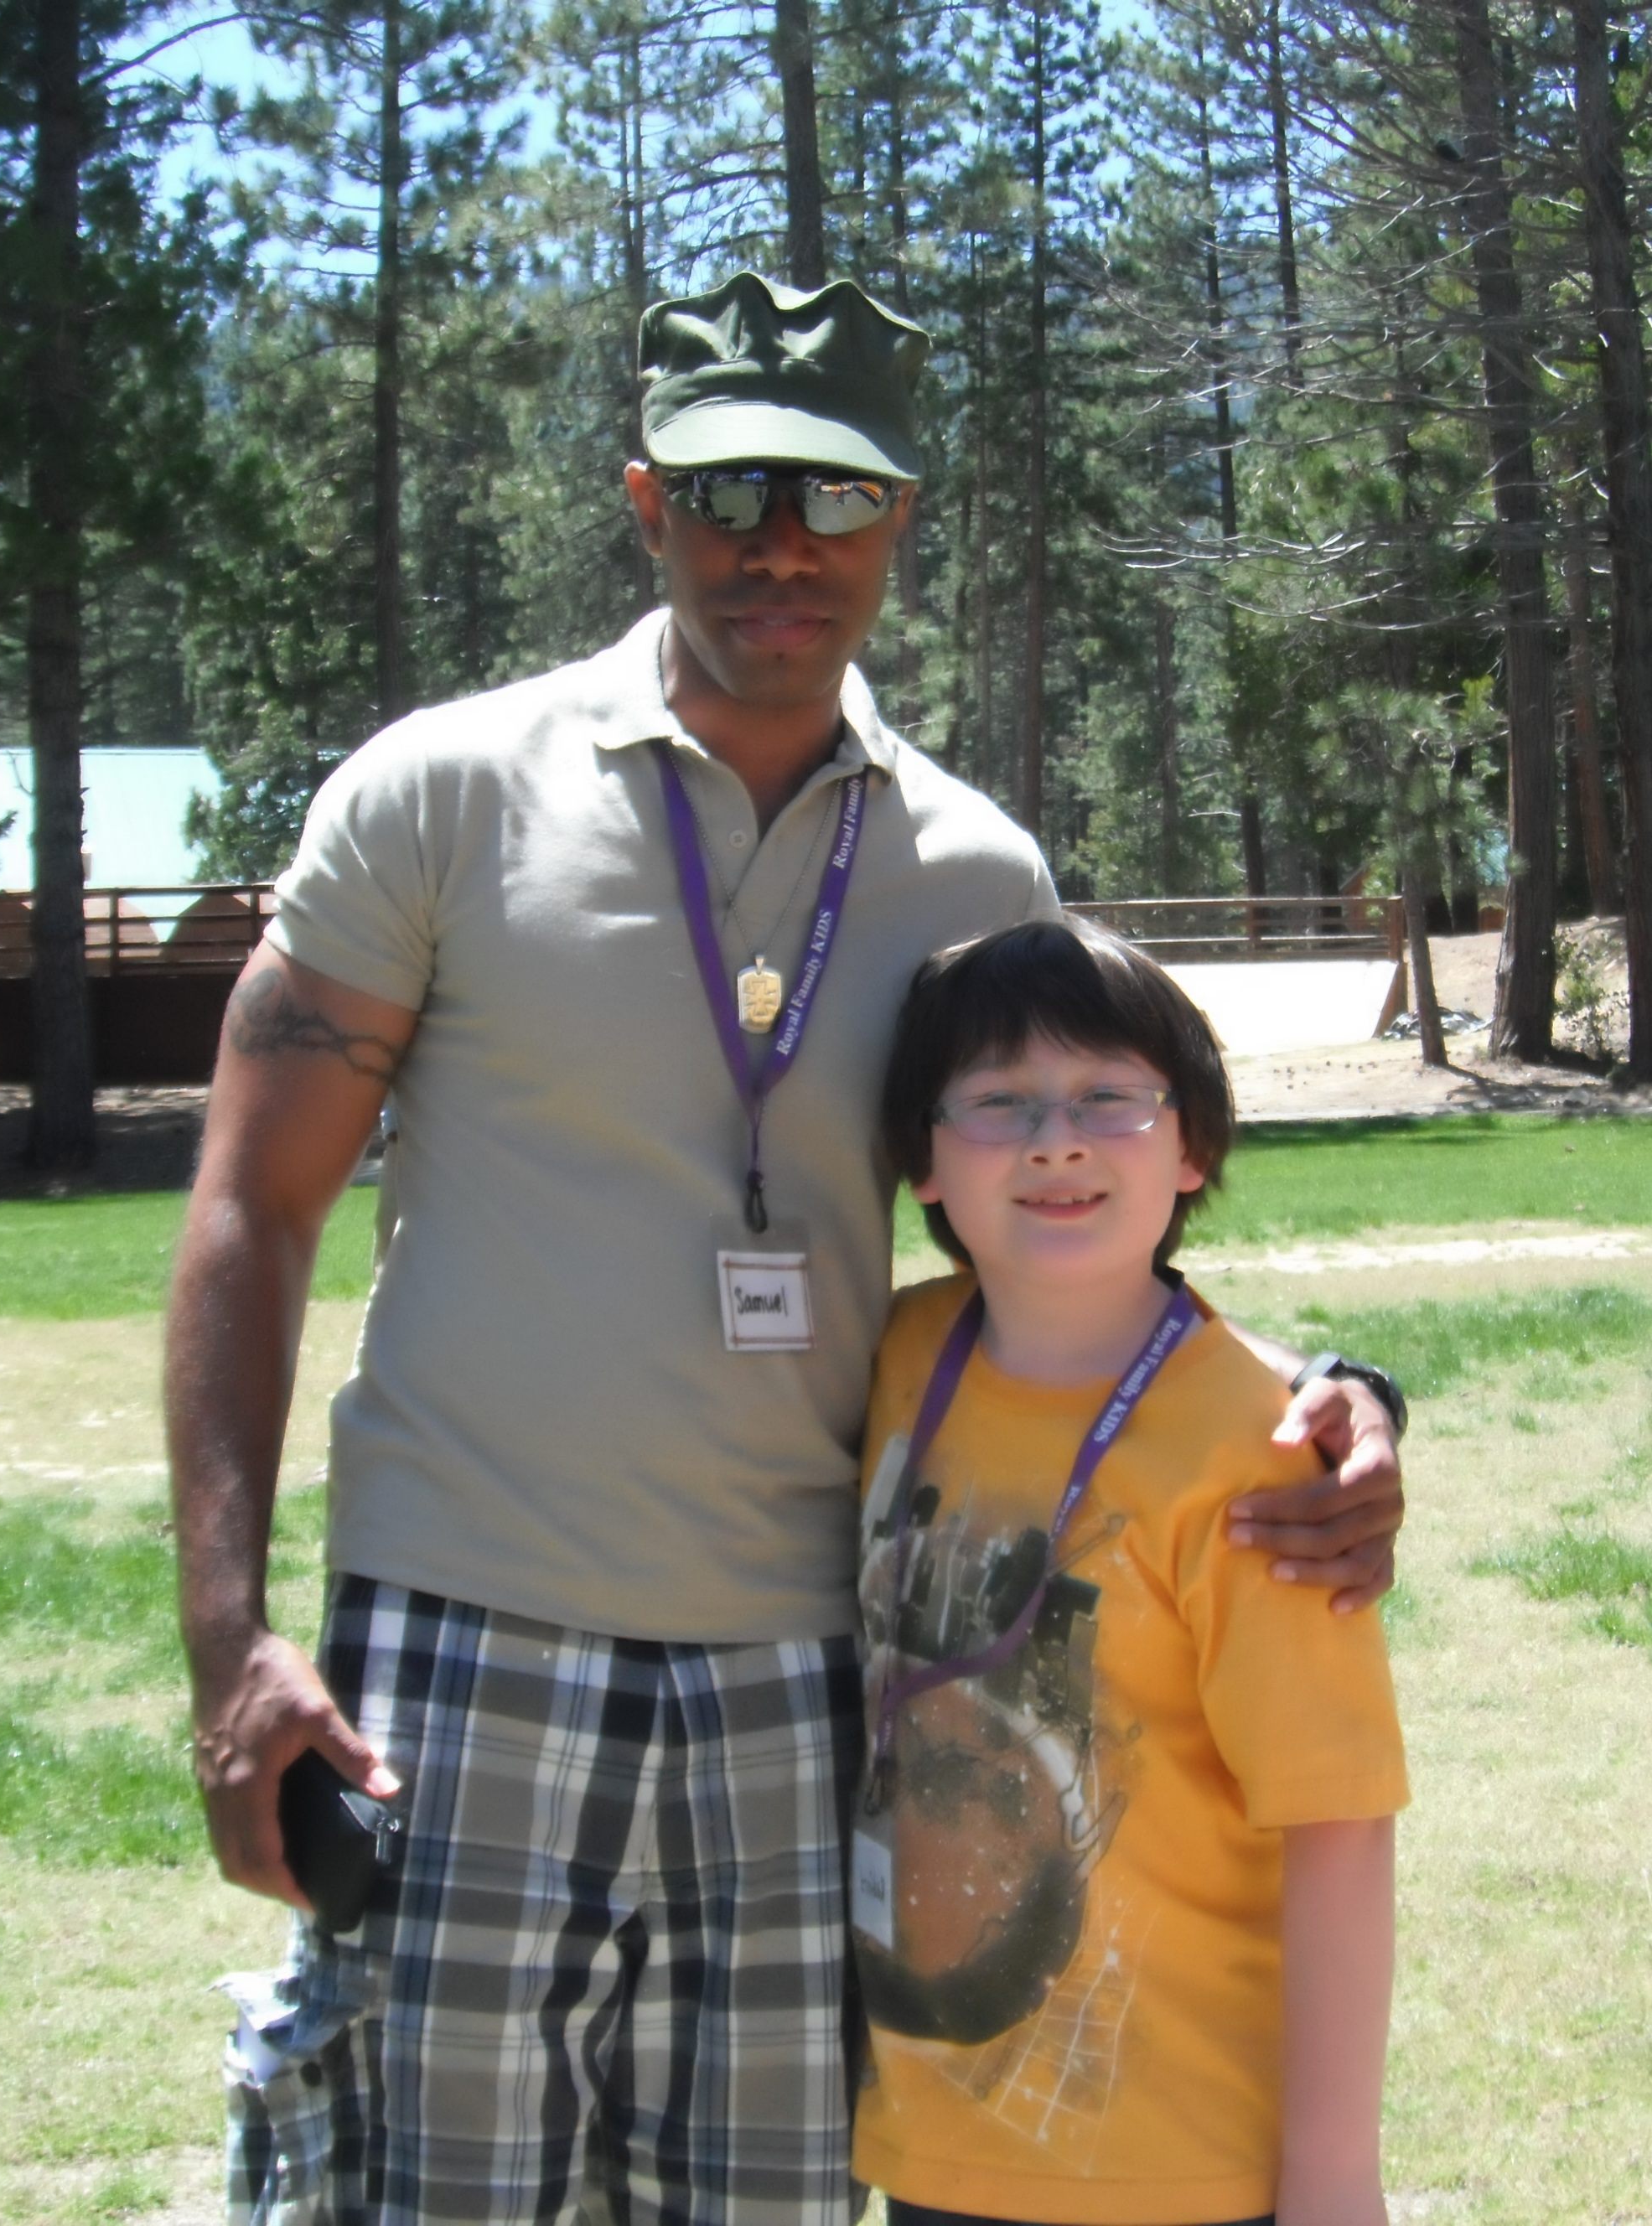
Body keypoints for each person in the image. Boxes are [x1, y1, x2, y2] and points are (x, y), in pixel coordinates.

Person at [166, 270, 1408, 2226]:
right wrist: (232, 1637)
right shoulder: (442, 794)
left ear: (901, 519)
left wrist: (1325, 1404)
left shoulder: (978, 875)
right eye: (735, 486)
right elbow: (254, 1200)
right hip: (469, 1652)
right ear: (645, 498)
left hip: (815, 1680)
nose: (782, 542)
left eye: (837, 496)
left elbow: (1065, 1208)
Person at [857, 918, 1401, 2226]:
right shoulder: (890, 1356)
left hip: (1178, 2166)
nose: (1057, 1138)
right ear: (922, 1163)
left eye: (1112, 1097)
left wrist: (1334, 2179)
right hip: (927, 2139)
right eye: (998, 1102)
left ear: (1193, 1145)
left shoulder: (1261, 1455)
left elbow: (1339, 1825)